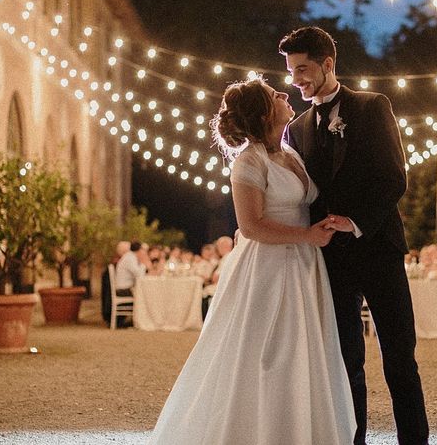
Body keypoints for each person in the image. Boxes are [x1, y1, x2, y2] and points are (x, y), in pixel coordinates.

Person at [148, 77, 355, 444]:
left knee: (304, 355)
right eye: (272, 94)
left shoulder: (290, 154)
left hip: (305, 266)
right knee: (269, 356)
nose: (282, 92)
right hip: (268, 269)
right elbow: (252, 225)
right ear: (263, 112)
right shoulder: (248, 161)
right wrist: (307, 236)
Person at [281, 26, 429, 445]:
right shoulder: (296, 129)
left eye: (303, 69)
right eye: (291, 71)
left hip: (379, 249)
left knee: (400, 359)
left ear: (328, 64)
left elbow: (394, 178)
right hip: (331, 260)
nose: (296, 80)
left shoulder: (371, 106)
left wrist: (355, 221)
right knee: (347, 363)